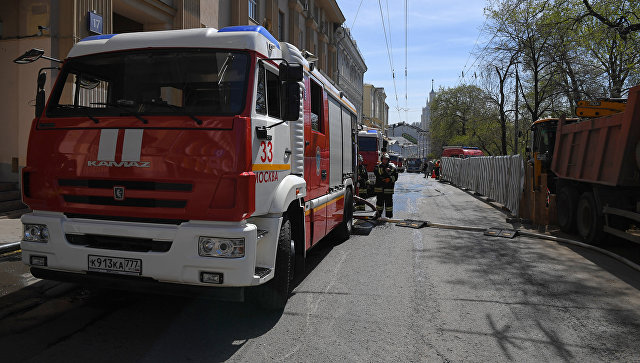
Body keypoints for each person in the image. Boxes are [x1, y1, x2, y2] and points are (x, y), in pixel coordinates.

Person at [373, 153, 398, 219]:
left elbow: (395, 177)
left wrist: (389, 179)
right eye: (384, 159)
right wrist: (385, 171)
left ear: (388, 160)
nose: (385, 160)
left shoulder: (392, 167)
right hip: (379, 189)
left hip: (388, 190)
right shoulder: (377, 167)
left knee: (389, 205)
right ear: (381, 159)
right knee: (379, 204)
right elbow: (377, 173)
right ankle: (378, 215)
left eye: (386, 159)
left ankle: (389, 216)